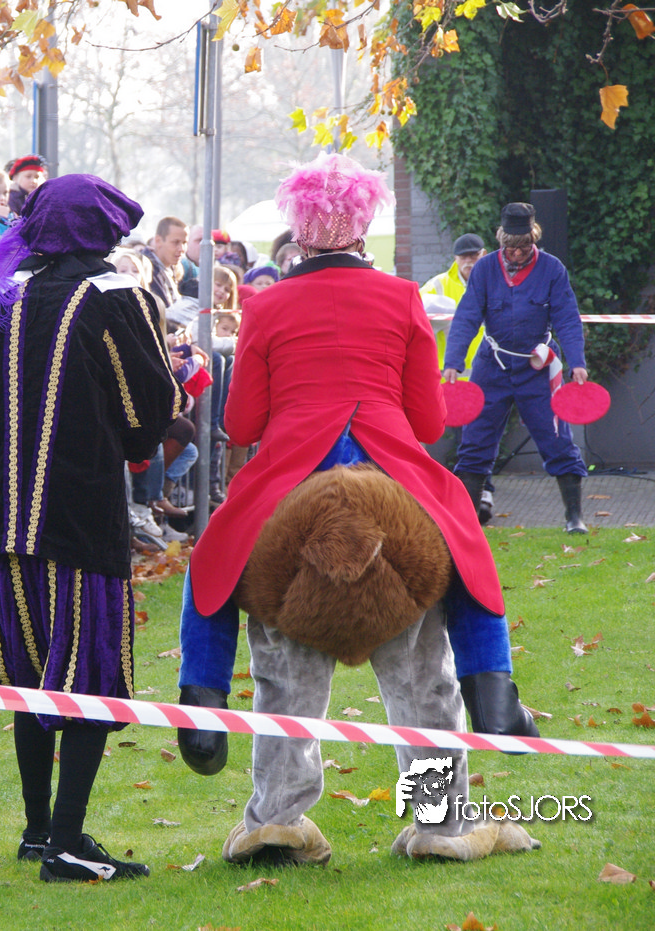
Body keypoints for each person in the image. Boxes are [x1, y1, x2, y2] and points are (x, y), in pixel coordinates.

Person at [181, 155, 539, 785]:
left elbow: (241, 424)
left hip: (293, 467)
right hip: (388, 458)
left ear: (299, 231)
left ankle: (203, 706)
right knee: (464, 548)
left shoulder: (267, 305)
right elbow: (428, 423)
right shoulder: (402, 296)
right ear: (362, 226)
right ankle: (493, 695)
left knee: (213, 559)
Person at [0, 173, 181, 883]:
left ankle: (39, 830)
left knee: (28, 673)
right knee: (87, 674)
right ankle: (68, 843)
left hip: (5, 518)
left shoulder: (2, 294)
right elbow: (149, 412)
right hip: (79, 516)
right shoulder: (114, 296)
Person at [442, 203, 590, 535]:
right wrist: (453, 362)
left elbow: (567, 318)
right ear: (501, 242)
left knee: (557, 439)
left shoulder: (552, 269)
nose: (518, 253)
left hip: (538, 367)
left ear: (533, 239)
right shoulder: (484, 270)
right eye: (512, 247)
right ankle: (467, 525)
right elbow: (467, 317)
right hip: (491, 367)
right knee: (475, 441)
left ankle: (574, 518)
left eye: (524, 246)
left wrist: (577, 363)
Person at [422, 233, 493, 521]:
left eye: (474, 255)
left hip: (485, 377)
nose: (469, 261)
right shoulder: (438, 286)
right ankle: (445, 498)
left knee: (479, 439)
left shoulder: (494, 282)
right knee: (442, 441)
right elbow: (418, 312)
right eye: (464, 256)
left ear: (483, 254)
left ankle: (483, 496)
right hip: (448, 381)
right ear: (455, 258)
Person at [139, 217, 187, 309]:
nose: (182, 249)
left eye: (184, 243)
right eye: (175, 242)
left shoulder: (171, 267)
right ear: (158, 241)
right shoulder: (144, 269)